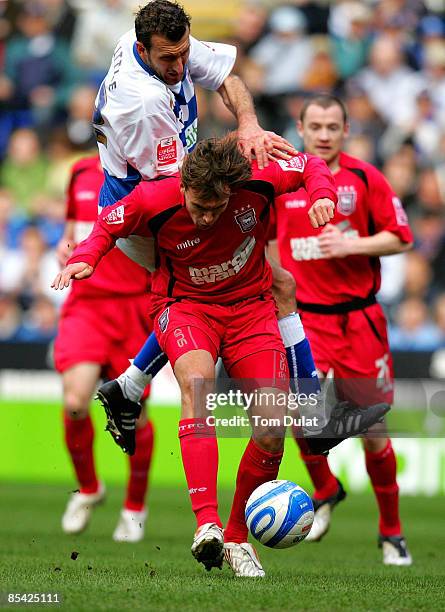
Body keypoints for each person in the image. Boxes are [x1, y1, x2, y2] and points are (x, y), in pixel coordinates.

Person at [53, 136, 389, 577]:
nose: (207, 217)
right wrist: (87, 258)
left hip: (251, 310)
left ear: (233, 188)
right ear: (184, 188)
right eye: (199, 207)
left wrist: (322, 196)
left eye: (217, 207)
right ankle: (206, 523)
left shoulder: (260, 179)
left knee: (271, 428)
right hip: (186, 307)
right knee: (198, 387)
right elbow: (107, 225)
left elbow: (309, 165)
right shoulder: (155, 196)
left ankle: (235, 538)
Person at [93, 0, 322, 416]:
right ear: (143, 52)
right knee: (255, 287)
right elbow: (187, 182)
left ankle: (129, 385)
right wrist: (241, 147)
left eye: (184, 53)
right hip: (145, 210)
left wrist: (249, 123)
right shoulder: (141, 104)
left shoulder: (158, 41)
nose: (180, 67)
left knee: (274, 283)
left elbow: (226, 78)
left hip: (172, 185)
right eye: (169, 59)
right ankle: (312, 408)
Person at [269, 94, 414, 566]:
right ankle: (326, 489)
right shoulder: (282, 178)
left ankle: (391, 532)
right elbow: (268, 242)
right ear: (301, 127)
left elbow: (401, 237)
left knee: (375, 432)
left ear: (346, 130)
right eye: (316, 126)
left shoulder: (365, 178)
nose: (325, 134)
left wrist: (353, 244)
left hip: (358, 319)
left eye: (333, 126)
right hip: (305, 318)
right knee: (299, 415)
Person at [54, 156, 154, 543]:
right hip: (88, 303)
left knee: (134, 417)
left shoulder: (151, 171)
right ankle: (89, 489)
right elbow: (70, 230)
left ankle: (134, 508)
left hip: (135, 305)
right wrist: (65, 250)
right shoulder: (78, 170)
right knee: (76, 401)